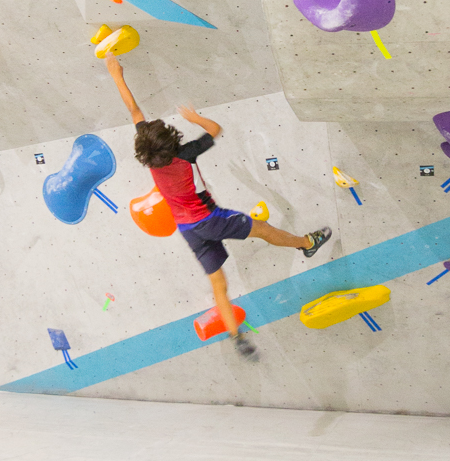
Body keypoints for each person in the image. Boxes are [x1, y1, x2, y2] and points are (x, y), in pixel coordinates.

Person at [105, 55, 332, 358]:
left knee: (218, 285)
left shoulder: (148, 154)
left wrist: (116, 74)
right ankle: (307, 243)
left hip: (188, 231)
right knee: (262, 229)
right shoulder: (186, 154)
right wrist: (195, 118)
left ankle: (237, 338)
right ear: (173, 144)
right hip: (210, 219)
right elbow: (215, 128)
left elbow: (133, 110)